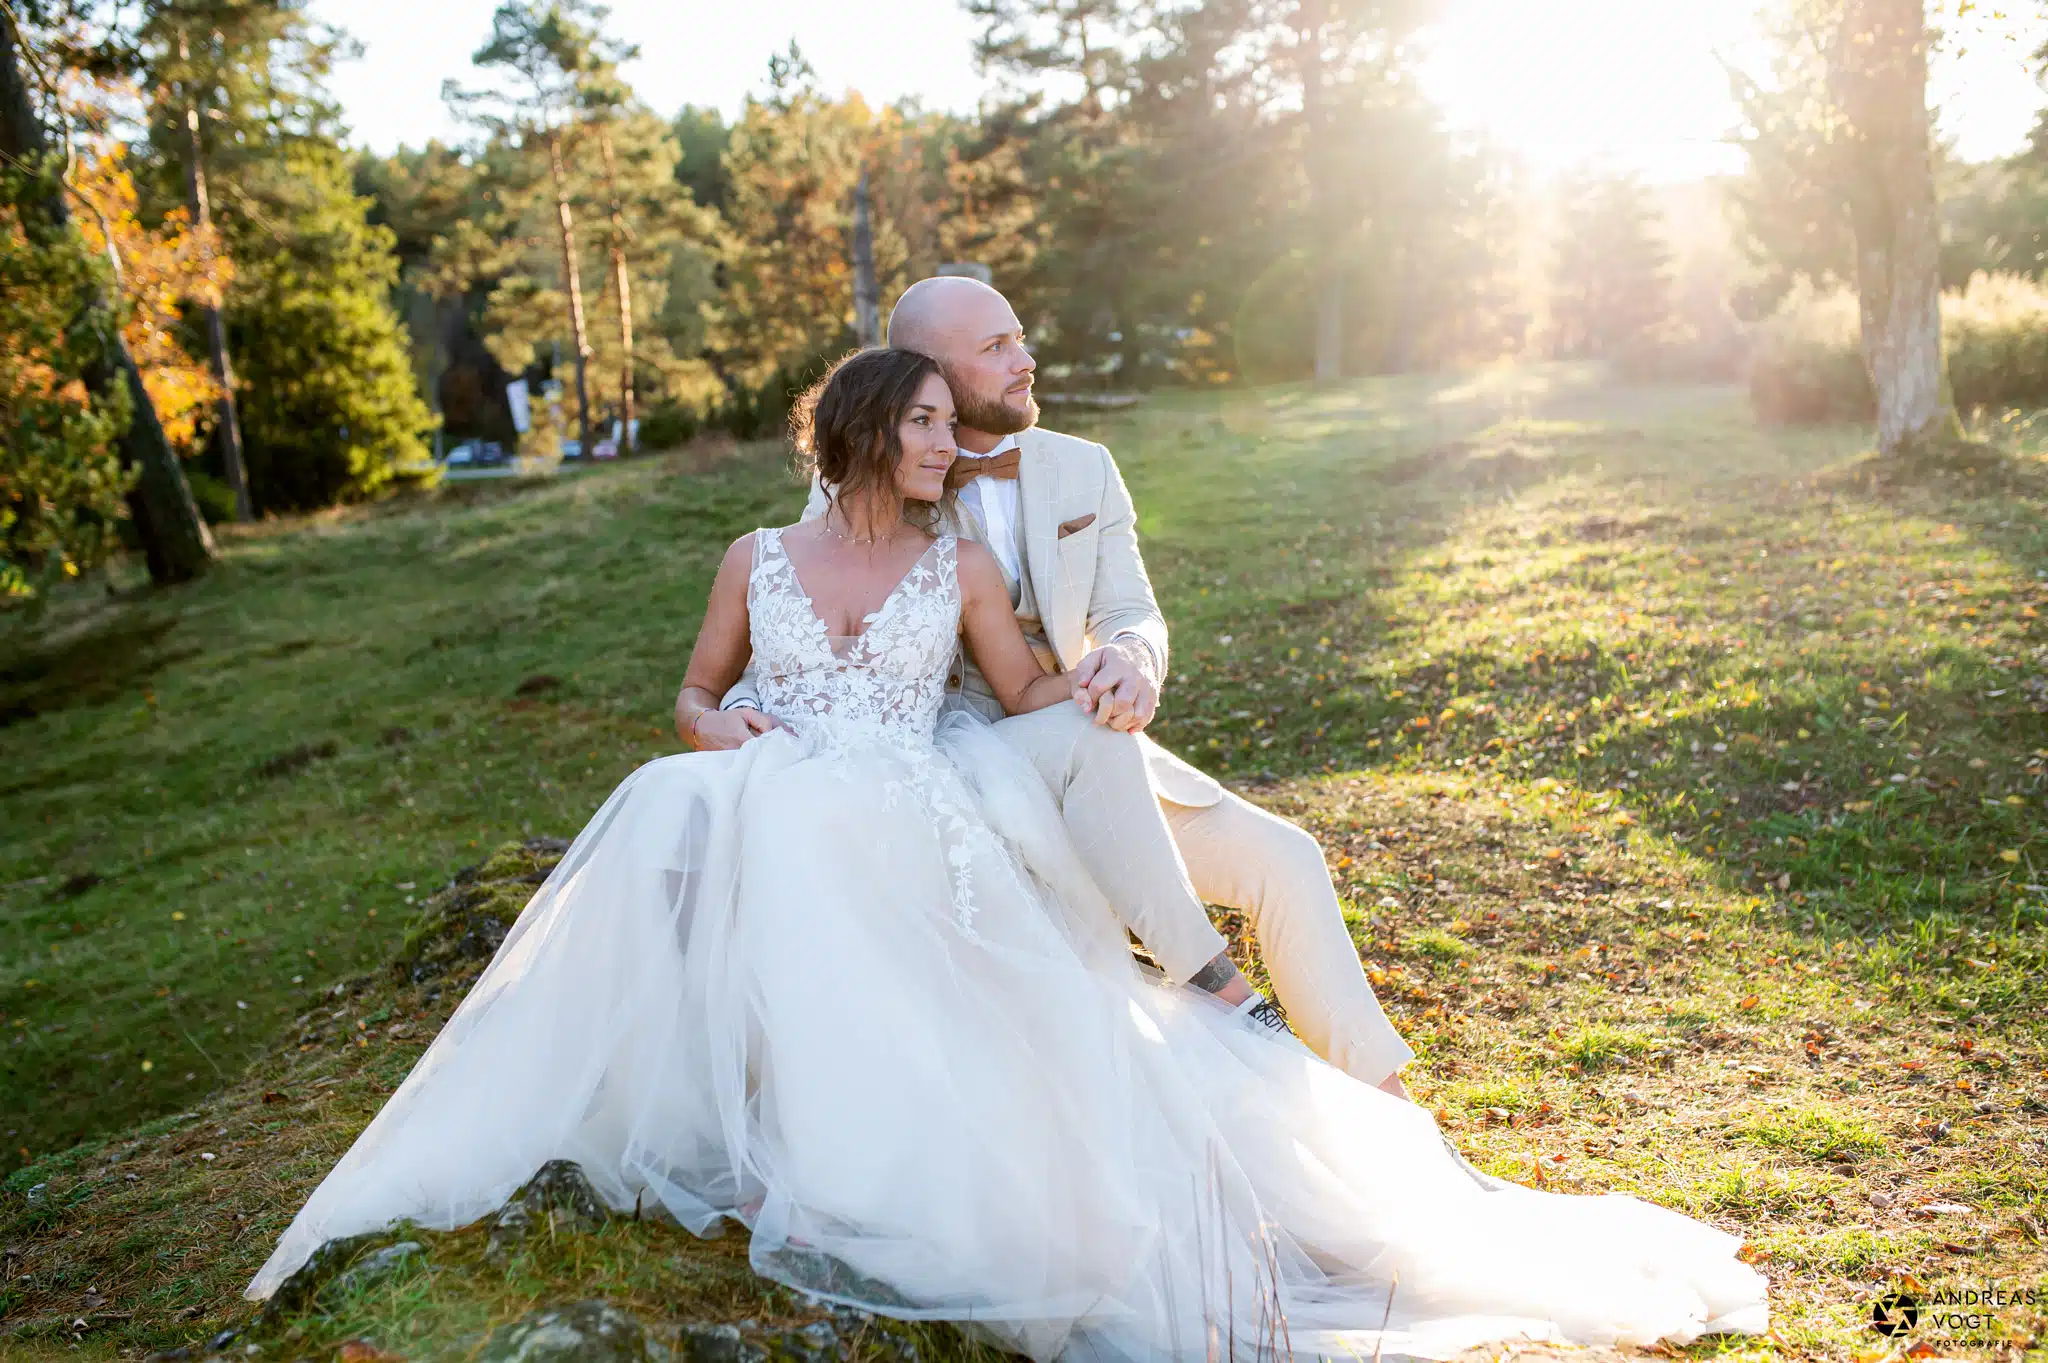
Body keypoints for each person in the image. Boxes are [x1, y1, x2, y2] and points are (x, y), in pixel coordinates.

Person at [246, 349, 1768, 1360]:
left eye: (949, 425)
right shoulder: (752, 558)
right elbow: (692, 691)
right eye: (921, 424)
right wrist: (724, 739)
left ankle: (931, 1149)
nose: (949, 444)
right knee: (671, 806)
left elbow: (1031, 691)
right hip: (772, 792)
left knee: (897, 903)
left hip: (911, 801)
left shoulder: (959, 557)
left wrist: (1111, 679)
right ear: (859, 430)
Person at [709, 276, 1415, 1096]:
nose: (1027, 360)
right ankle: (1215, 990)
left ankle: (1390, 1109)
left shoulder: (1086, 467)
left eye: (1020, 337)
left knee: (1287, 860)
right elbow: (800, 622)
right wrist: (736, 713)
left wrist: (1133, 659)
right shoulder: (865, 472)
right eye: (997, 348)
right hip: (950, 769)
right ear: (923, 373)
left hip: (1090, 743)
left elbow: (1131, 609)